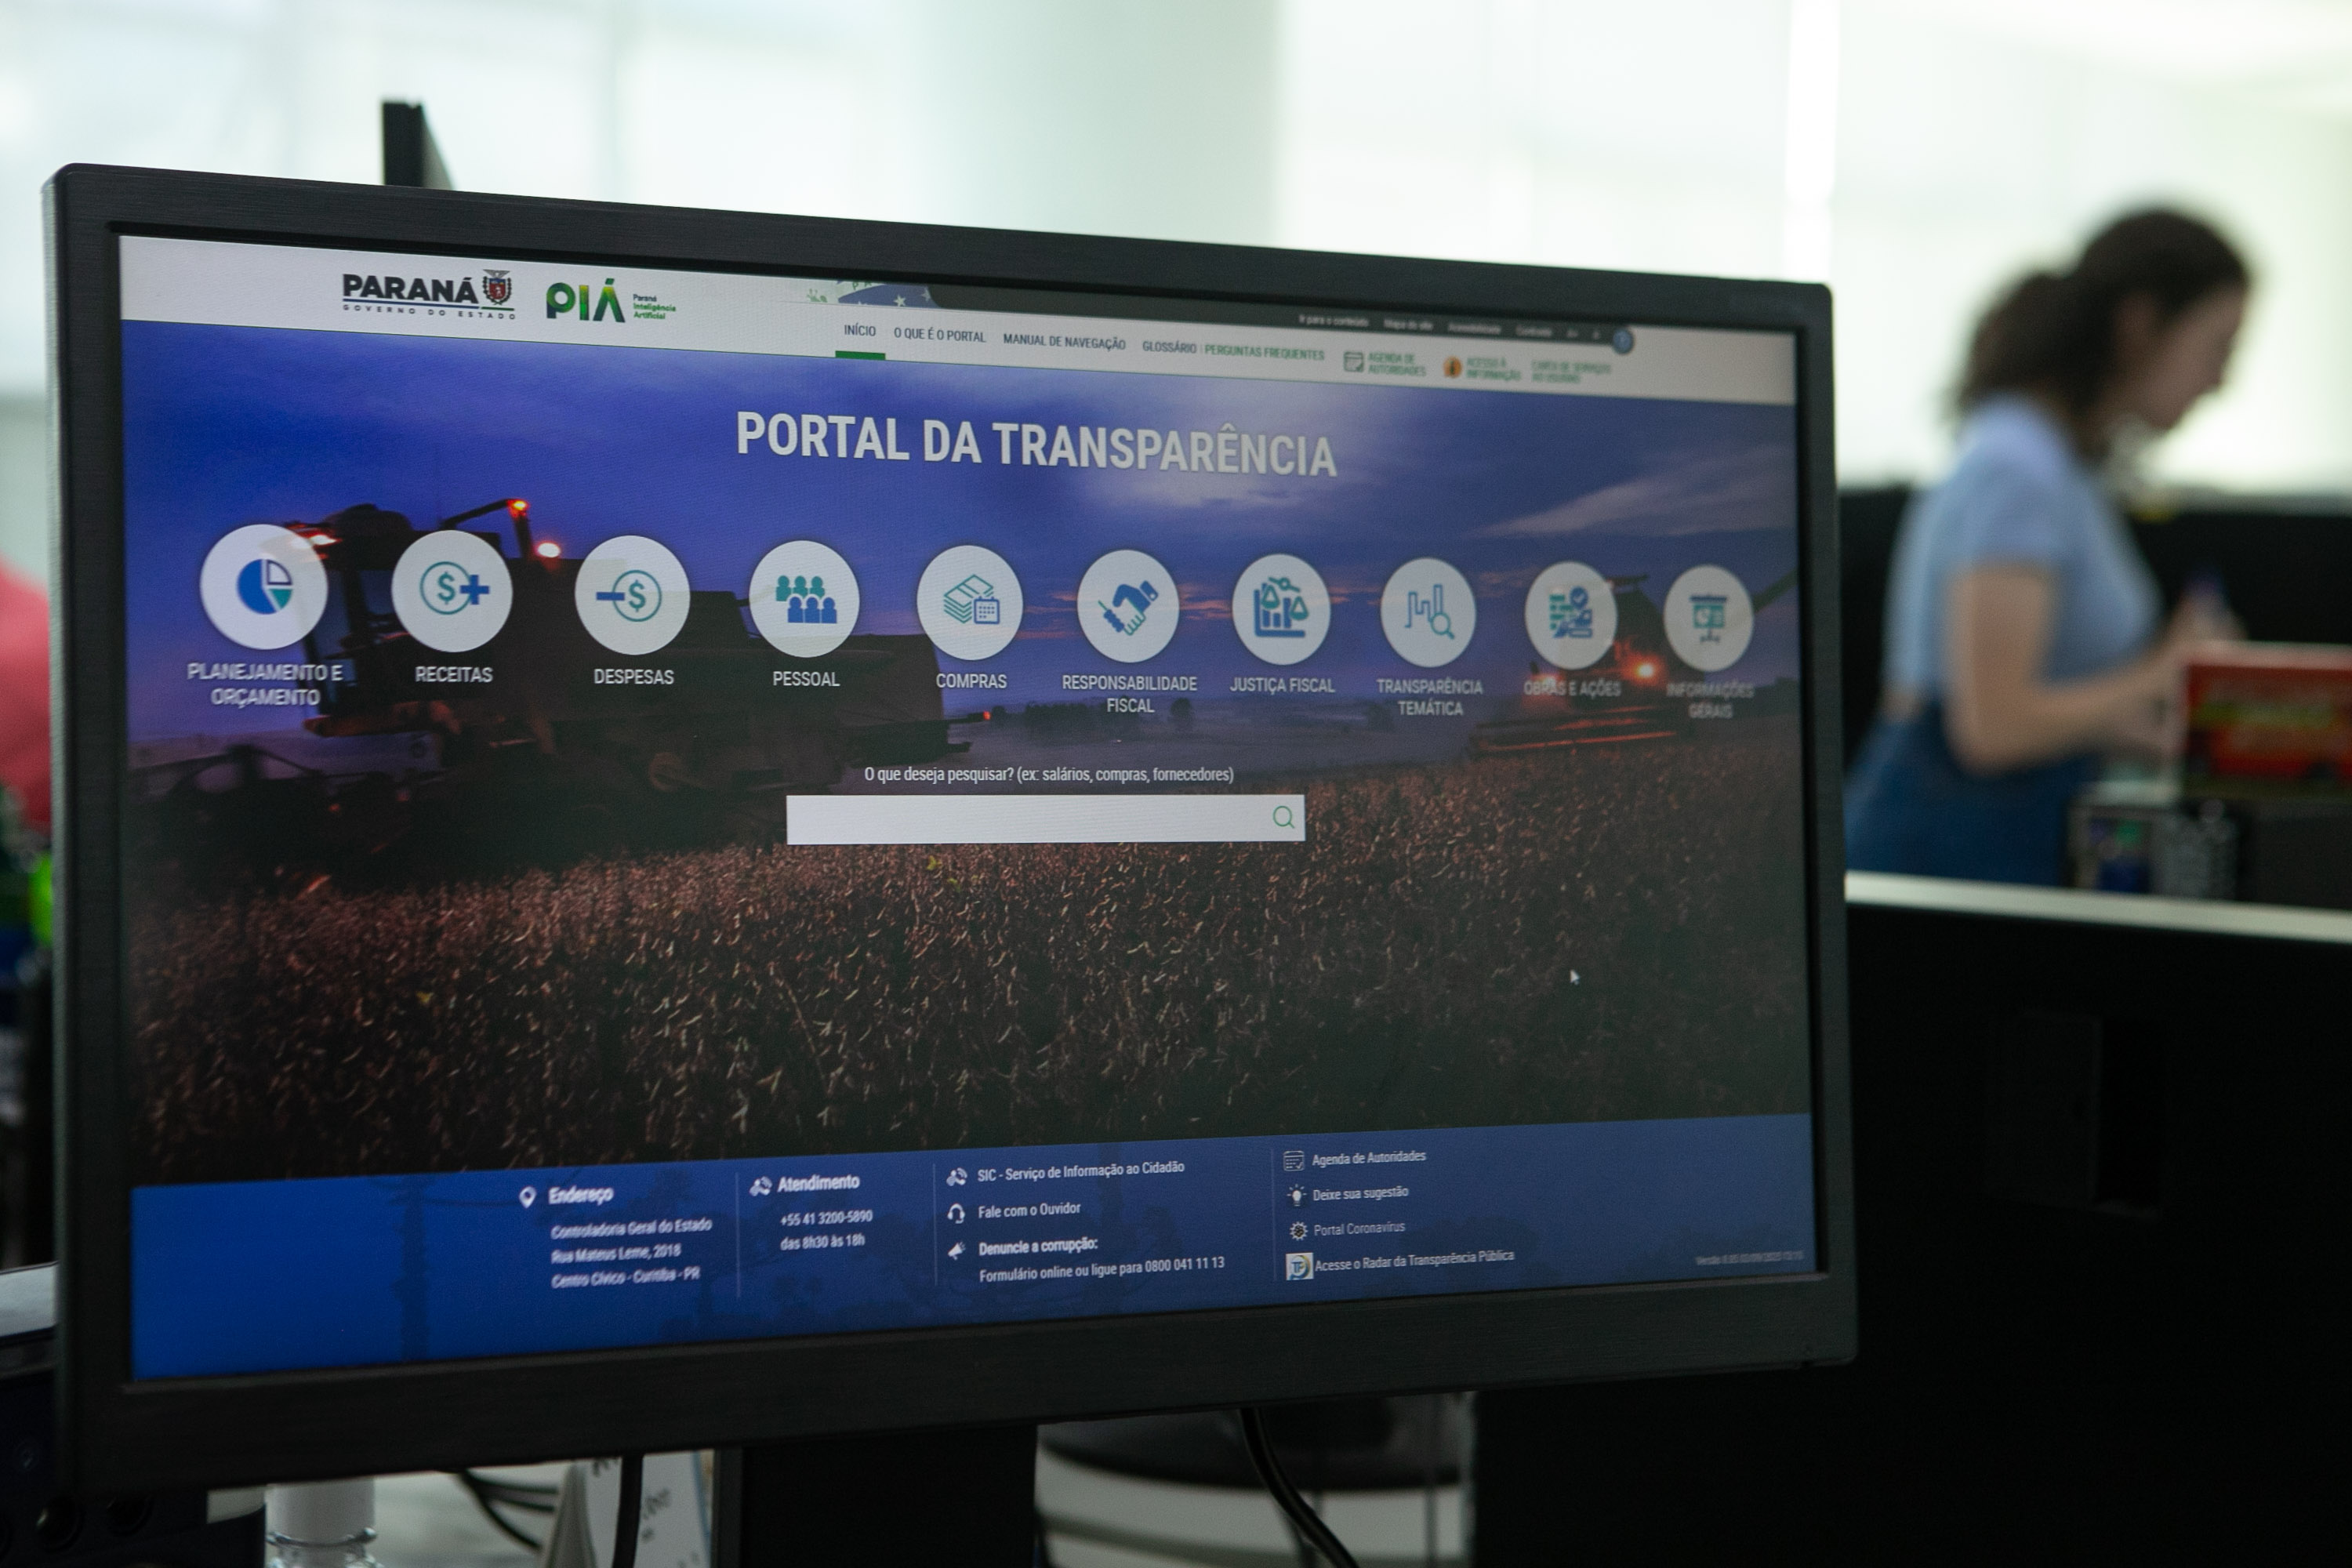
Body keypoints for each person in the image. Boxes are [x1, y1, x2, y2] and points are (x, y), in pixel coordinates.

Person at [1846, 209, 2249, 885]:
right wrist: (2164, 671)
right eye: (2217, 346)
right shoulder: (2018, 469)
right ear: (2141, 324)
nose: (2220, 380)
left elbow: (2053, 701)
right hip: (1943, 864)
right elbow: (1993, 726)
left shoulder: (2062, 465)